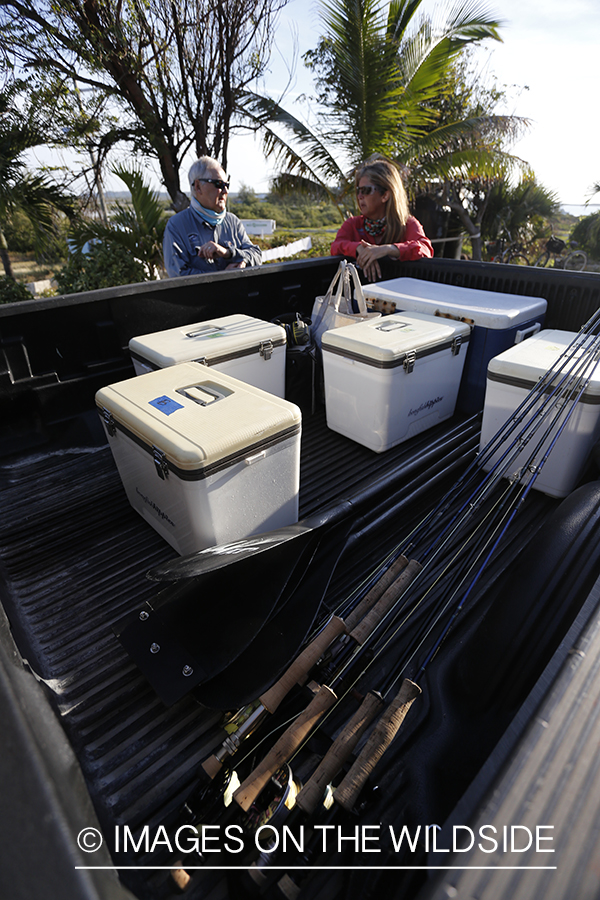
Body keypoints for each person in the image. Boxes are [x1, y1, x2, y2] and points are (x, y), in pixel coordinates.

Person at [331, 158, 433, 282]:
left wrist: (388, 249)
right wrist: (359, 249)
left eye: (366, 190)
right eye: (358, 190)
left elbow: (425, 249)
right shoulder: (352, 224)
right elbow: (335, 247)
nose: (359, 196)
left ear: (385, 195)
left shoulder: (407, 224)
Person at [163, 157, 262, 277]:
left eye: (227, 185)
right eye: (219, 184)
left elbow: (256, 255)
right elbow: (178, 275)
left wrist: (228, 253)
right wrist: (222, 276)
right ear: (198, 186)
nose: (225, 191)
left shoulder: (233, 222)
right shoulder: (177, 225)